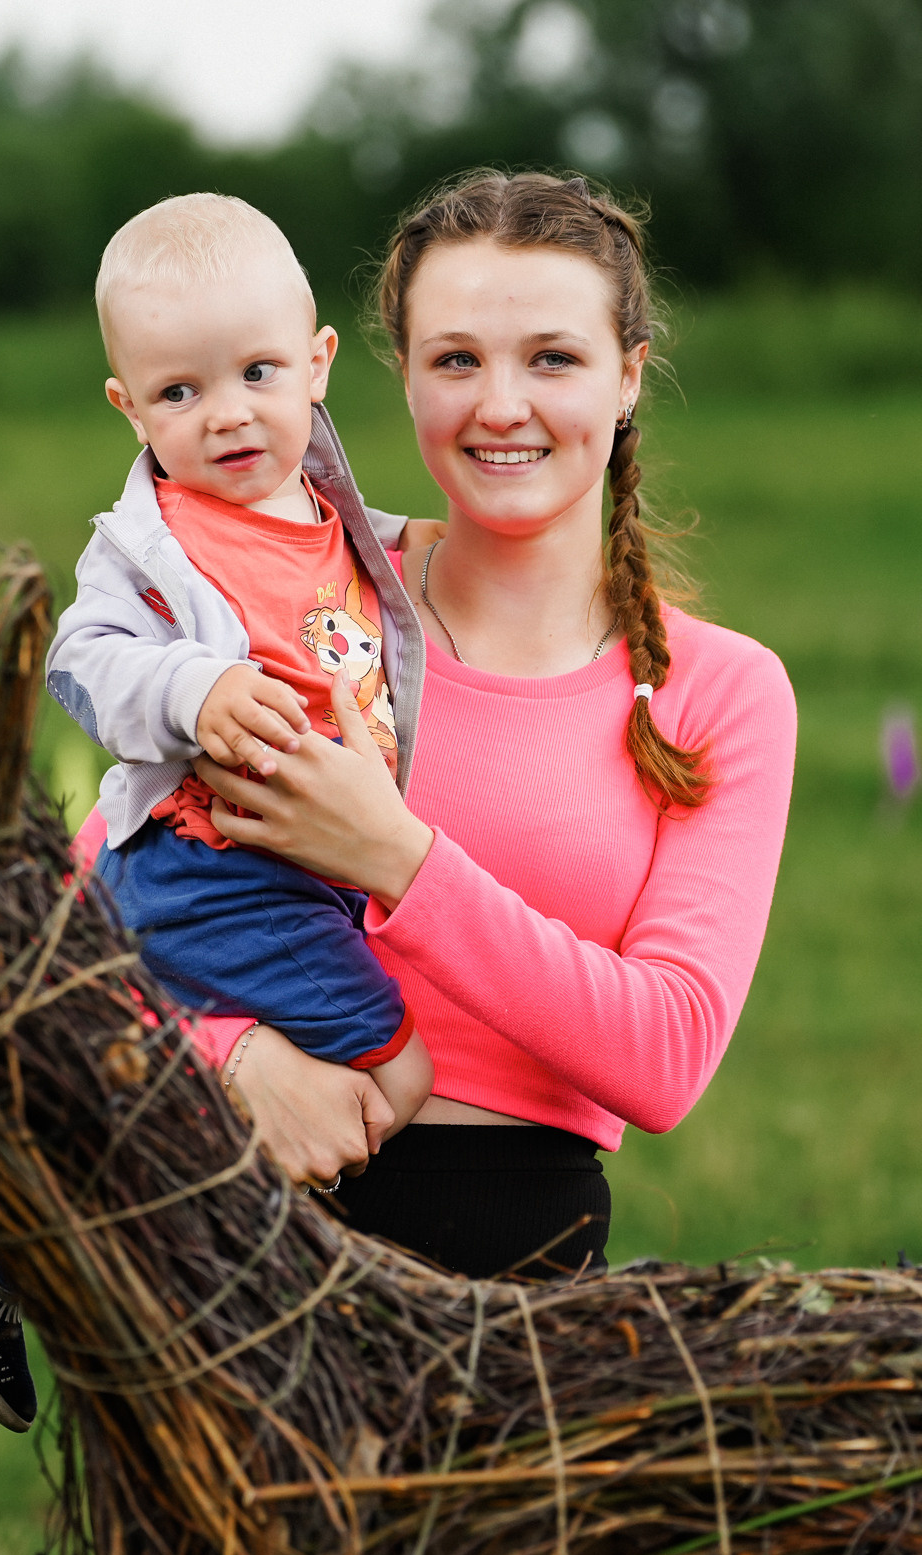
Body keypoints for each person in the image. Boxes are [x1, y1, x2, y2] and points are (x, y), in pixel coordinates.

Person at [0, 194, 435, 1433]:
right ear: (128, 407)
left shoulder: (333, 520)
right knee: (395, 1078)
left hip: (296, 876)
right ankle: (94, 1262)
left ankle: (8, 1261)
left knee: (307, 1092)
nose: (227, 411)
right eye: (179, 393)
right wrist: (197, 685)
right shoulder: (154, 543)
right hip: (211, 872)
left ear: (318, 364)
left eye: (256, 373)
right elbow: (83, 660)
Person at [189, 169, 797, 1282]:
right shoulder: (300, 601)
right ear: (402, 378)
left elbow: (663, 1057)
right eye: (456, 358)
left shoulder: (722, 690)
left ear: (628, 379)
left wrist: (392, 858)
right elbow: (99, 900)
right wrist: (226, 1057)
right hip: (225, 1221)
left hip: (514, 1255)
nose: (501, 405)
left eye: (553, 358)